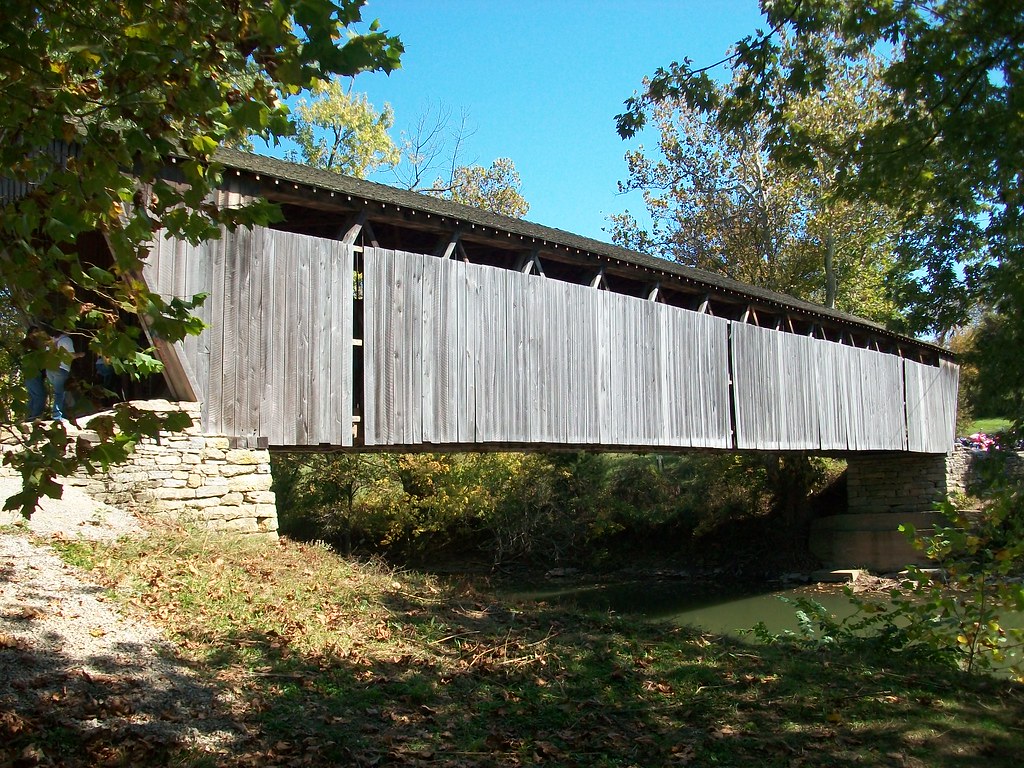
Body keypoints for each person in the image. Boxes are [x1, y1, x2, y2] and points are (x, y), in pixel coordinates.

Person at [47, 331, 75, 421]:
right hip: (61, 369)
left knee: (58, 392)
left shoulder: (51, 341)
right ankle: (57, 415)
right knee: (60, 393)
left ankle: (61, 413)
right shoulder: (67, 340)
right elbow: (71, 355)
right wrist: (81, 354)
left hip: (50, 369)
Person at [21, 326, 47, 420]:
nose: (38, 334)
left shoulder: (34, 344)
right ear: (30, 334)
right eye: (36, 332)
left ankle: (29, 417)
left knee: (34, 397)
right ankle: (35, 417)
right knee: (40, 396)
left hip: (33, 374)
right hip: (33, 373)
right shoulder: (28, 344)